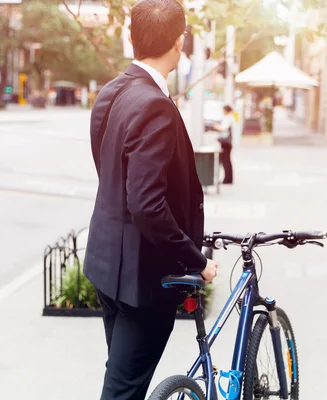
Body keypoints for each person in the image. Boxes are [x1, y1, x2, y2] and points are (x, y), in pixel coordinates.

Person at [83, 1, 218, 398]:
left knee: (124, 380)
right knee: (124, 389)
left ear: (132, 37)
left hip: (107, 265)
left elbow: (109, 172)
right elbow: (146, 204)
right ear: (179, 43)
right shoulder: (154, 105)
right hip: (141, 278)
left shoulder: (113, 91)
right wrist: (197, 261)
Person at [213, 105, 236, 184]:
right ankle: (228, 178)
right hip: (228, 143)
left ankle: (227, 179)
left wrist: (215, 127)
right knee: (227, 161)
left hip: (225, 143)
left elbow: (223, 128)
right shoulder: (232, 117)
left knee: (225, 161)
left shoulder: (228, 118)